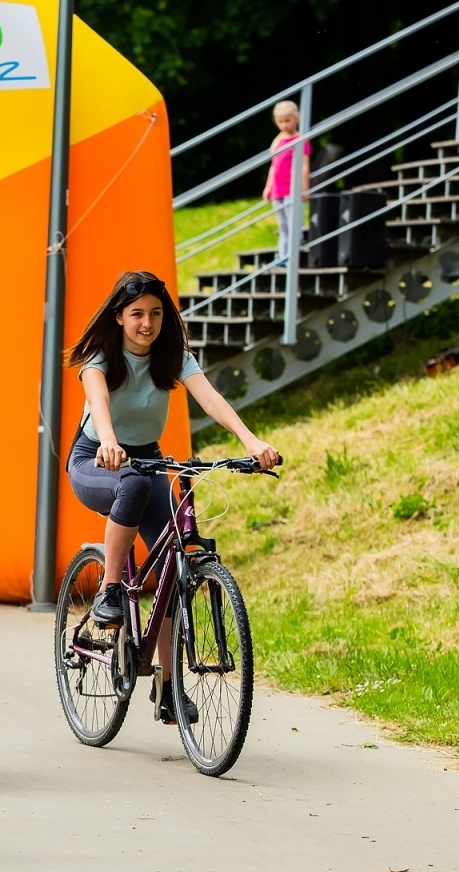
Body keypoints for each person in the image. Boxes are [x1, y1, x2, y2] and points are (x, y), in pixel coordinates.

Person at [66, 271, 278, 716]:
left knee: (170, 566)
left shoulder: (174, 356)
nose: (147, 323)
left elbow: (211, 398)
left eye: (156, 314)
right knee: (135, 484)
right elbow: (99, 403)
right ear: (120, 316)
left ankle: (167, 685)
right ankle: (109, 589)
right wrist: (108, 441)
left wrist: (250, 441)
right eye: (137, 314)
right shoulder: (100, 357)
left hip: (148, 456)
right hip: (96, 458)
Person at [261, 101, 310, 261]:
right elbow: (273, 166)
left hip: (292, 189)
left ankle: (291, 255)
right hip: (278, 190)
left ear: (297, 119)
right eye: (280, 121)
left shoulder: (300, 141)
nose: (283, 125)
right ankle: (283, 256)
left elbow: (304, 166)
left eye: (287, 120)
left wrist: (304, 188)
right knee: (283, 226)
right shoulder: (278, 141)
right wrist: (268, 186)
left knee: (292, 224)